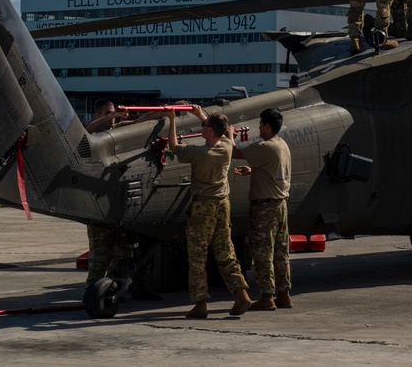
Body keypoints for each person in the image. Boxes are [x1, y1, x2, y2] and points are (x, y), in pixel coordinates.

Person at [166, 105, 252, 318]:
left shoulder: (197, 153)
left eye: (203, 125)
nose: (201, 127)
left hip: (203, 206)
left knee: (197, 256)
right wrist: (201, 115)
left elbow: (174, 147)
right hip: (222, 204)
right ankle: (241, 292)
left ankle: (200, 303)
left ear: (210, 131)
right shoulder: (226, 147)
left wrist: (172, 119)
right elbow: (226, 132)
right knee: (225, 251)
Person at [84, 99, 161, 300]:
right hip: (99, 206)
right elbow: (89, 129)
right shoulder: (93, 134)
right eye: (107, 113)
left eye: (113, 112)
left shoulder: (119, 129)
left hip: (121, 204)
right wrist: (114, 116)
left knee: (126, 252)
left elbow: (142, 120)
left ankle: (136, 287)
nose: (112, 117)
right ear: (98, 115)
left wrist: (166, 110)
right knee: (99, 255)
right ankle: (92, 292)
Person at [232, 107, 293, 311]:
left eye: (260, 124)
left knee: (262, 251)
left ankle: (267, 296)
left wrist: (228, 135)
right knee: (280, 251)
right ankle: (284, 294)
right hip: (280, 204)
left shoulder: (265, 146)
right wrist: (254, 170)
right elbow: (270, 167)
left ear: (267, 126)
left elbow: (234, 151)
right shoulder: (281, 144)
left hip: (265, 207)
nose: (258, 127)